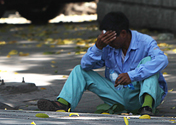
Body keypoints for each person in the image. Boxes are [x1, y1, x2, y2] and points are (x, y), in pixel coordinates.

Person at [37, 11, 168, 115]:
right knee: (79, 71)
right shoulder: (107, 46)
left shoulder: (144, 41)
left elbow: (162, 60)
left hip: (141, 95)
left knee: (149, 62)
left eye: (111, 39)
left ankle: (147, 107)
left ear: (123, 33)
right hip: (118, 95)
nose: (108, 43)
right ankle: (62, 104)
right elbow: (85, 66)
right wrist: (97, 48)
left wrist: (132, 75)